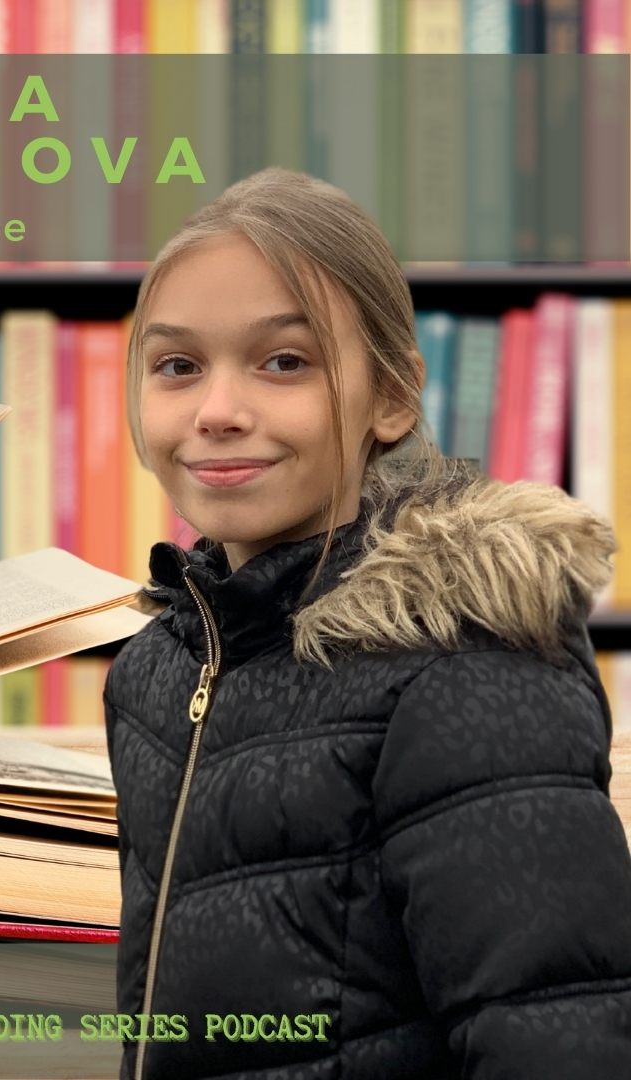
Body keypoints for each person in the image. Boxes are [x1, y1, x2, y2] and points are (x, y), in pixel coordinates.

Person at [104, 167, 631, 1080]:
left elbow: (559, 1036)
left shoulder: (468, 661)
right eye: (177, 366)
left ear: (391, 398)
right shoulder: (157, 667)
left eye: (284, 362)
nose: (218, 412)